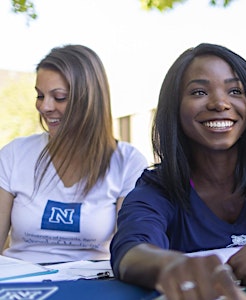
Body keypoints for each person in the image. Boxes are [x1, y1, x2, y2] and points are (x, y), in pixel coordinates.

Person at [110, 43, 246, 299]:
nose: (219, 103)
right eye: (199, 92)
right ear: (175, 107)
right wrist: (174, 265)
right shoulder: (158, 185)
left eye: (235, 90)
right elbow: (130, 251)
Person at [0, 44, 148, 263]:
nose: (45, 107)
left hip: (92, 284)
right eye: (40, 96)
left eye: (59, 97)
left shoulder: (128, 162)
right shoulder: (15, 154)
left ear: (90, 100)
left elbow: (129, 249)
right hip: (22, 285)